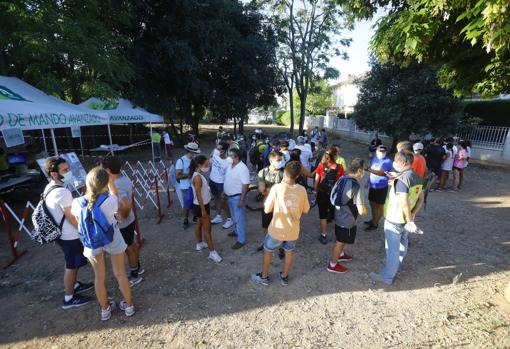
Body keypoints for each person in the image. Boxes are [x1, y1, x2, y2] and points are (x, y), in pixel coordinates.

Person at [71, 167, 134, 321]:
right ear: (106, 183)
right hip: (112, 237)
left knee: (99, 277)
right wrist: (111, 181)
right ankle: (129, 306)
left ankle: (105, 309)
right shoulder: (111, 200)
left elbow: (78, 222)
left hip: (92, 242)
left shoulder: (77, 203)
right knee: (120, 273)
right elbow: (116, 195)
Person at [43, 157, 93, 309]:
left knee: (73, 263)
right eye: (65, 170)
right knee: (71, 265)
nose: (69, 172)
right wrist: (83, 229)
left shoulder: (49, 188)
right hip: (69, 235)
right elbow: (71, 216)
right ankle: (69, 298)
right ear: (53, 174)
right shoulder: (62, 192)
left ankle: (75, 285)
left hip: (62, 235)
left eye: (68, 169)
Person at [251, 161, 310, 286]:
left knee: (268, 250)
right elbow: (306, 210)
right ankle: (284, 276)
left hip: (277, 229)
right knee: (289, 251)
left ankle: (264, 276)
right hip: (293, 229)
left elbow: (267, 209)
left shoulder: (277, 188)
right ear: (298, 175)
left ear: (284, 173)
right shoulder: (302, 190)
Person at [370, 151, 425, 285]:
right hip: (405, 220)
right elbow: (421, 200)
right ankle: (397, 265)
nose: (394, 163)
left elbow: (404, 202)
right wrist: (412, 216)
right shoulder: (416, 176)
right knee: (402, 243)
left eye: (396, 160)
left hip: (395, 218)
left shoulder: (402, 181)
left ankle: (387, 277)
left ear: (403, 162)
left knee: (392, 249)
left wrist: (410, 219)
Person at [100, 156, 144, 287]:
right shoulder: (123, 178)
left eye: (102, 168)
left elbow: (126, 204)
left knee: (128, 247)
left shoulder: (117, 185)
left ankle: (134, 274)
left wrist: (122, 218)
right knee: (131, 245)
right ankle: (138, 267)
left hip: (124, 222)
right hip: (129, 219)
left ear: (107, 170)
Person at [327, 158, 369, 273]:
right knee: (339, 242)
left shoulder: (342, 178)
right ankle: (333, 264)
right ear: (359, 170)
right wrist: (366, 212)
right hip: (347, 220)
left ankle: (340, 254)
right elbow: (361, 211)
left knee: (340, 238)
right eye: (363, 169)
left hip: (338, 215)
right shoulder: (356, 187)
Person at [190, 155, 223, 263]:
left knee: (199, 223)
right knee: (207, 230)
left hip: (199, 205)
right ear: (199, 165)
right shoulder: (198, 177)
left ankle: (199, 243)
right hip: (201, 205)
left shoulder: (197, 174)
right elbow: (199, 194)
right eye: (206, 165)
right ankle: (212, 252)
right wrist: (203, 210)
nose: (208, 167)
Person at [315, 147, 345, 244]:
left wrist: (316, 191)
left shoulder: (320, 165)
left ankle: (324, 235)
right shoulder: (340, 167)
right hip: (334, 195)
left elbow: (317, 180)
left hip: (322, 193)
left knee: (322, 214)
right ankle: (338, 235)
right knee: (335, 214)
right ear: (335, 156)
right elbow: (342, 182)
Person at [256, 151, 285, 252]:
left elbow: (285, 190)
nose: (280, 162)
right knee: (266, 225)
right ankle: (266, 242)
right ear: (270, 160)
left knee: (281, 225)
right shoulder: (263, 172)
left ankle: (281, 246)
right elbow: (262, 190)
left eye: (281, 160)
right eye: (278, 160)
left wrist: (269, 190)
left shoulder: (284, 173)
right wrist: (276, 190)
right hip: (267, 205)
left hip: (280, 206)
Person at [223, 148, 250, 249]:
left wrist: (242, 200)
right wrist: (224, 192)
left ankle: (241, 240)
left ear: (237, 157)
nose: (228, 157)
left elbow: (246, 185)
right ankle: (236, 231)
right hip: (230, 196)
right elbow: (228, 178)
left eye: (231, 155)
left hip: (237, 198)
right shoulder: (231, 165)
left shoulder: (243, 168)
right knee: (235, 217)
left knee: (239, 219)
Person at [365, 145, 393, 231]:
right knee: (372, 203)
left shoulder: (387, 161)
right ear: (376, 151)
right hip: (373, 185)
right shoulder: (375, 158)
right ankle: (373, 219)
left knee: (379, 206)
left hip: (382, 187)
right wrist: (368, 181)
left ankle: (375, 224)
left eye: (384, 151)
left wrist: (368, 169)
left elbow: (381, 173)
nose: (382, 153)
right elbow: (373, 171)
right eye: (380, 151)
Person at [209, 142, 234, 229]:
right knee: (216, 198)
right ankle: (219, 216)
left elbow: (229, 176)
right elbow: (210, 162)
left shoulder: (228, 161)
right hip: (212, 180)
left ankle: (229, 219)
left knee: (223, 202)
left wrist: (225, 188)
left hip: (221, 183)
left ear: (223, 151)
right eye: (217, 148)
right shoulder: (215, 153)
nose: (217, 150)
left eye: (219, 149)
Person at [176, 143, 201, 228]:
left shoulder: (194, 159)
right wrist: (190, 174)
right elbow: (178, 176)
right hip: (185, 187)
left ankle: (195, 217)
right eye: (194, 152)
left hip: (194, 185)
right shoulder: (181, 161)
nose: (195, 154)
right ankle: (185, 220)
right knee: (187, 204)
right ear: (189, 151)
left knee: (194, 202)